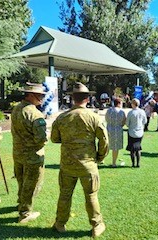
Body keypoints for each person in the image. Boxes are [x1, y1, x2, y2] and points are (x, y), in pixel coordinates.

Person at [51, 82, 109, 238]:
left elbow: (54, 139)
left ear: (72, 98)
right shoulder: (94, 117)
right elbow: (104, 141)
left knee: (65, 194)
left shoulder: (62, 117)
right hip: (88, 165)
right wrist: (99, 157)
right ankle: (96, 225)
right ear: (87, 98)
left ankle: (60, 223)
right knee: (91, 196)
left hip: (67, 165)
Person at [11, 83, 47, 223]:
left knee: (21, 181)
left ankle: (21, 203)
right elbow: (41, 139)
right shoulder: (35, 113)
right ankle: (25, 213)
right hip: (32, 155)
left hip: (18, 153)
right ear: (31, 95)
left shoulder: (16, 109)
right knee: (31, 184)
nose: (42, 98)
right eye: (40, 96)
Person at [126, 98, 147, 167]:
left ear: (133, 104)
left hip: (132, 132)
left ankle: (133, 163)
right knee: (138, 148)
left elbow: (127, 124)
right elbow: (145, 121)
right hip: (140, 132)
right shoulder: (142, 112)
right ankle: (138, 163)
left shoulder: (131, 112)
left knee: (132, 149)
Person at [105, 98, 126, 167]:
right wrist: (119, 125)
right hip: (118, 130)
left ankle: (101, 159)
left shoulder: (109, 110)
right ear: (119, 103)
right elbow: (124, 121)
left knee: (106, 145)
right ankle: (114, 163)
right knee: (115, 147)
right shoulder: (121, 112)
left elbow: (106, 119)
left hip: (109, 129)